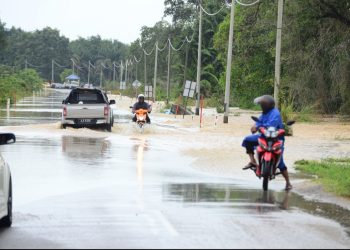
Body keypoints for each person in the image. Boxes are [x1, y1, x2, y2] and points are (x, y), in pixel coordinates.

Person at [242, 95, 293, 191]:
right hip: (263, 137)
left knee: (280, 161)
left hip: (276, 138)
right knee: (248, 140)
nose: (261, 107)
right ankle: (252, 161)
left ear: (267, 106)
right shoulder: (264, 113)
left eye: (262, 105)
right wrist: (255, 126)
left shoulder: (275, 114)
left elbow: (270, 126)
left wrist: (260, 127)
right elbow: (258, 122)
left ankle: (288, 183)